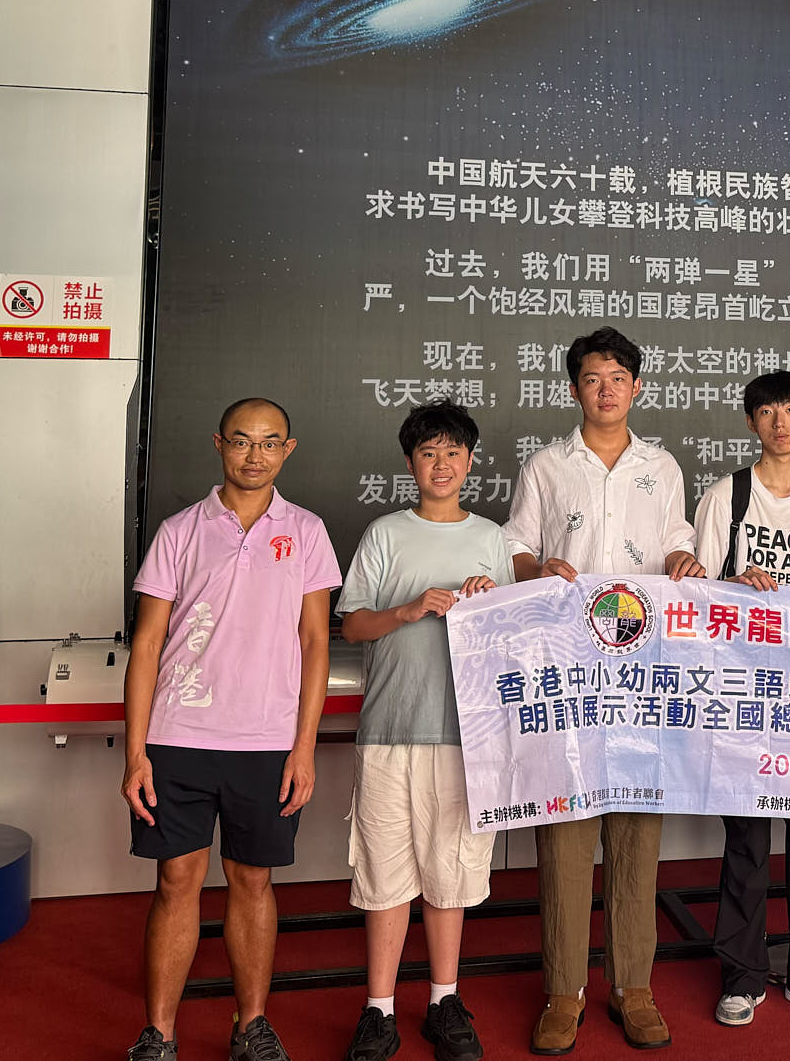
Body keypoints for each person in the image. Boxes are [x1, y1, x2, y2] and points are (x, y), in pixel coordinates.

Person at [121, 398, 338, 1061]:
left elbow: (315, 641)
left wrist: (303, 748)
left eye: (269, 443)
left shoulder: (306, 531)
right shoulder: (179, 531)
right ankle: (159, 1034)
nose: (254, 455)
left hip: (267, 742)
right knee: (175, 882)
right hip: (178, 735)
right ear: (219, 444)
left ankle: (252, 1026)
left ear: (288, 450)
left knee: (252, 882)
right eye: (242, 441)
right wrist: (136, 752)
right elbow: (148, 643)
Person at [505, 328, 693, 1055]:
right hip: (568, 667)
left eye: (618, 377)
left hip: (643, 670)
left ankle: (632, 986)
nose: (606, 389)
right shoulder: (547, 465)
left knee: (638, 832)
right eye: (592, 378)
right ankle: (564, 991)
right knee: (565, 830)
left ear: (637, 387)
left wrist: (683, 559)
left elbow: (677, 541)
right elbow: (515, 545)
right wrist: (534, 568)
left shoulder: (662, 466)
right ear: (573, 388)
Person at [674, 372, 790, 1028]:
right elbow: (696, 593)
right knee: (747, 843)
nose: (779, 422)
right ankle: (742, 976)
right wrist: (734, 580)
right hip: (742, 692)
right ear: (751, 422)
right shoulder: (726, 496)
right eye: (766, 411)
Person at [339, 402, 514, 1061]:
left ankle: (444, 1000)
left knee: (452, 872)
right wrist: (408, 610)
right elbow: (351, 624)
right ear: (410, 463)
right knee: (384, 873)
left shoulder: (491, 538)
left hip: (466, 733)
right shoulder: (385, 533)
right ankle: (379, 1009)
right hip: (389, 726)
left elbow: (511, 633)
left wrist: (488, 598)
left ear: (470, 462)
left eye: (452, 453)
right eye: (428, 453)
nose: (441, 465)